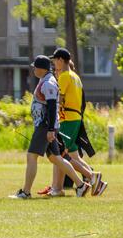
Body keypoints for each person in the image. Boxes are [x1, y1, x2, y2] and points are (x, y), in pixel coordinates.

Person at [11, 55, 91, 199]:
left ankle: (26, 192)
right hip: (47, 126)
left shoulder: (48, 83)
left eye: (35, 67)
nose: (34, 69)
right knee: (56, 158)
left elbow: (52, 106)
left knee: (31, 156)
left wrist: (49, 130)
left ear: (41, 68)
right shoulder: (46, 80)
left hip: (44, 126)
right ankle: (81, 185)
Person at [38, 49, 106, 197]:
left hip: (67, 118)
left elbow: (59, 99)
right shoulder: (76, 77)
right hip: (75, 118)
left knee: (59, 154)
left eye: (55, 60)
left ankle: (86, 178)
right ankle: (92, 181)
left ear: (61, 60)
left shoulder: (64, 76)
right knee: (73, 156)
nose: (54, 63)